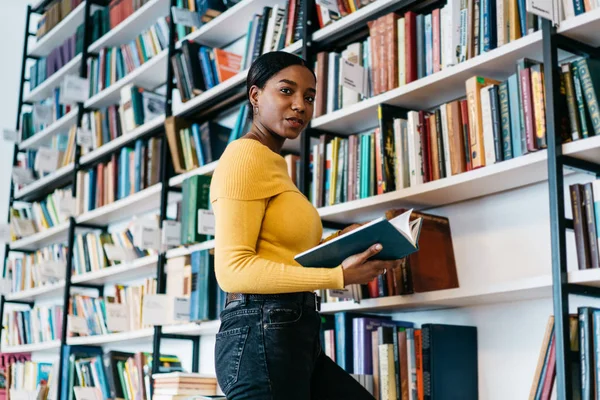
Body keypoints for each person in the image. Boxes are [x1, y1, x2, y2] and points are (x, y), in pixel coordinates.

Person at [210, 51, 399, 400]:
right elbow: (233, 270)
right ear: (255, 95)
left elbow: (284, 257)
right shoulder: (244, 156)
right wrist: (338, 276)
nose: (300, 105)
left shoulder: (273, 163)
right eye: (286, 91)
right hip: (261, 330)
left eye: (309, 97)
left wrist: (351, 243)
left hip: (293, 331)